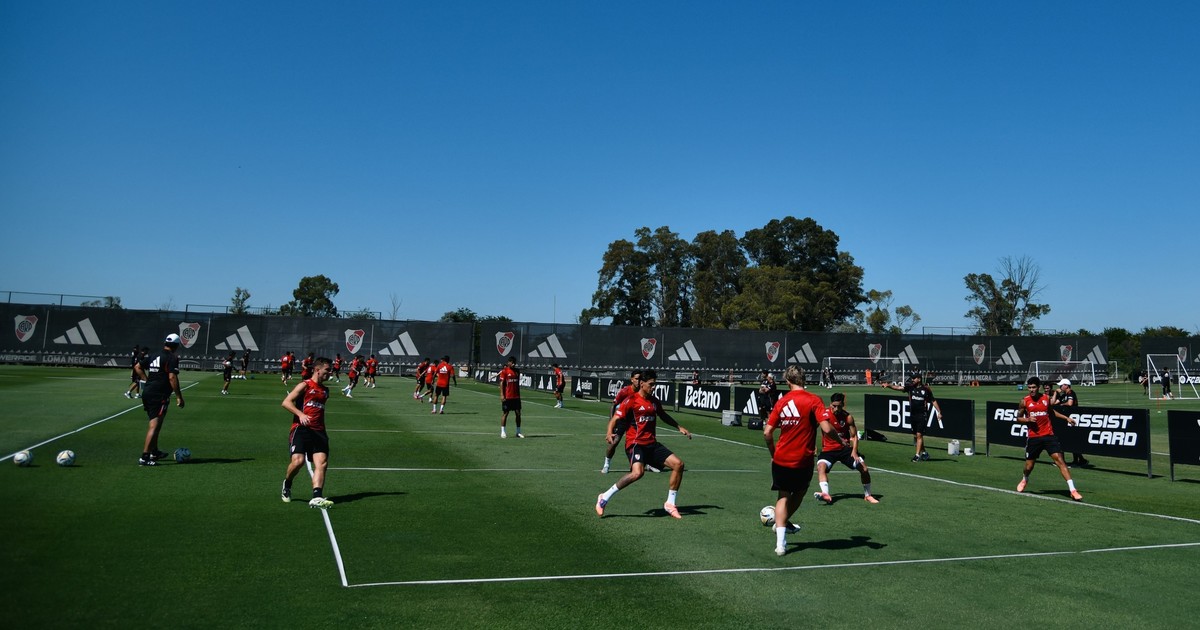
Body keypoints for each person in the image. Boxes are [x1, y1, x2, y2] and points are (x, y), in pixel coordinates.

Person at [764, 366, 848, 555]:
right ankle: (782, 523)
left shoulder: (781, 401)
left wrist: (773, 454)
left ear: (788, 381)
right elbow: (827, 428)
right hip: (803, 459)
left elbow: (767, 433)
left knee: (783, 495)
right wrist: (840, 440)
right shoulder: (813, 400)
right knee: (800, 492)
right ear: (804, 379)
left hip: (781, 458)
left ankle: (780, 544)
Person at [595, 370, 692, 519]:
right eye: (651, 384)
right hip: (635, 444)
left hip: (652, 444)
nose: (653, 387)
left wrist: (679, 427)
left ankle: (670, 504)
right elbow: (615, 418)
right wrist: (609, 433)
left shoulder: (654, 401)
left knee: (678, 465)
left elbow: (663, 415)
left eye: (655, 384)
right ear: (642, 384)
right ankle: (604, 497)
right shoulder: (631, 400)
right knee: (637, 473)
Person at [1015, 376, 1083, 501]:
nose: (1031, 390)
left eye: (1034, 387)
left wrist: (1066, 418)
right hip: (1034, 437)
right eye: (1029, 388)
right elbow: (1018, 418)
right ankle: (1025, 479)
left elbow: (1052, 413)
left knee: (1060, 461)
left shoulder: (1046, 399)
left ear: (1038, 387)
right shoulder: (1024, 401)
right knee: (1029, 466)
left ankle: (1073, 490)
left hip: (1048, 435)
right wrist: (1027, 419)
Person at [281, 356, 335, 509]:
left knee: (322, 463)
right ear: (317, 370)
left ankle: (317, 496)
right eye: (327, 370)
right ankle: (287, 483)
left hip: (319, 431)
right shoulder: (305, 385)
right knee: (298, 462)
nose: (330, 373)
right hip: (301, 429)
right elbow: (286, 402)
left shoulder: (325, 390)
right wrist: (301, 414)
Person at [813, 392, 879, 505]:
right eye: (834, 406)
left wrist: (854, 451)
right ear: (830, 404)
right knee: (821, 467)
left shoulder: (848, 417)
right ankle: (825, 494)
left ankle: (868, 495)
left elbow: (854, 436)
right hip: (828, 450)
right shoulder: (824, 415)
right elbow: (812, 428)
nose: (836, 409)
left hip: (845, 449)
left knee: (864, 469)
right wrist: (812, 445)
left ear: (843, 405)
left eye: (839, 406)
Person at [133, 333, 185, 466]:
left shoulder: (154, 355)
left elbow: (137, 367)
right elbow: (172, 377)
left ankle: (154, 451)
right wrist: (179, 396)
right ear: (176, 346)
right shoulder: (172, 357)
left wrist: (147, 381)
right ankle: (145, 457)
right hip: (159, 394)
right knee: (154, 425)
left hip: (148, 392)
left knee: (156, 423)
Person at [881, 372, 943, 462]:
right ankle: (924, 453)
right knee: (916, 436)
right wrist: (889, 385)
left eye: (914, 378)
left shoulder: (926, 389)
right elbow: (899, 388)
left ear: (919, 379)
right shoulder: (910, 387)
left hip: (922, 415)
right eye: (912, 378)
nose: (912, 380)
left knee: (919, 435)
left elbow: (933, 400)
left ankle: (917, 455)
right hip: (913, 415)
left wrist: (939, 412)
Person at [602, 370, 642, 473]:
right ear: (632, 379)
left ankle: (647, 463)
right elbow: (614, 405)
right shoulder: (625, 391)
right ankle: (606, 464)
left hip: (635, 422)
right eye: (636, 379)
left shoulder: (643, 391)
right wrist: (611, 421)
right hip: (622, 420)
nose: (638, 381)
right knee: (614, 442)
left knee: (643, 442)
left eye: (640, 379)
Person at [1053, 379, 1087, 468]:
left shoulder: (1071, 393)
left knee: (1072, 440)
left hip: (1073, 419)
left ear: (1066, 386)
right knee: (1068, 440)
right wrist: (1056, 393)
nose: (1060, 387)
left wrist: (1062, 405)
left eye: (1061, 385)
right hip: (1066, 420)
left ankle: (1078, 461)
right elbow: (1053, 403)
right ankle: (1080, 460)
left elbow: (1070, 403)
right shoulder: (1064, 395)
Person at [497, 357, 523, 438]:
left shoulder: (517, 371)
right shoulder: (505, 371)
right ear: (508, 362)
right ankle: (503, 431)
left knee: (518, 414)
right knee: (505, 413)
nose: (513, 364)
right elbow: (501, 383)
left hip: (516, 397)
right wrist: (502, 394)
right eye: (512, 362)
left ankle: (518, 432)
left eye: (514, 362)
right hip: (507, 397)